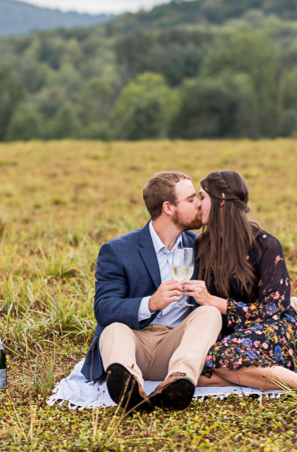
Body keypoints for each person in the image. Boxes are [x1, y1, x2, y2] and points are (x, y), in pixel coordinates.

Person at [181, 170, 297, 394]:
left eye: (202, 197)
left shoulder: (265, 245)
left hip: (274, 331)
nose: (198, 204)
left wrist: (214, 302)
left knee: (221, 358)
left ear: (221, 200)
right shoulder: (202, 246)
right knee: (196, 372)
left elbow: (273, 309)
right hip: (230, 335)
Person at [81, 171, 223, 412]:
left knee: (210, 313)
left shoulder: (200, 246)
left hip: (179, 345)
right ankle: (129, 387)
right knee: (113, 329)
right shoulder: (118, 250)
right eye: (190, 200)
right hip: (135, 345)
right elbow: (103, 308)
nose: (199, 203)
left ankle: (178, 381)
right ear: (168, 207)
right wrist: (150, 303)